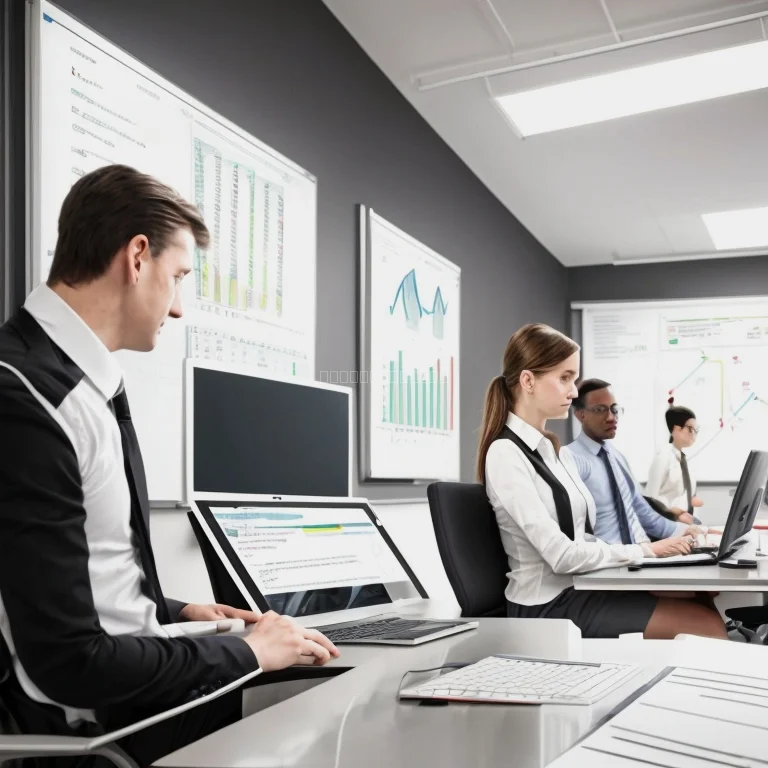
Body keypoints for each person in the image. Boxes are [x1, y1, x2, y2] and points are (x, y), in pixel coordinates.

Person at [0, 165, 339, 766]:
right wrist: (251, 653)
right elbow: (68, 662)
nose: (179, 308)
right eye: (178, 276)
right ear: (137, 257)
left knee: (349, 676)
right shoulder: (27, 400)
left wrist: (180, 613)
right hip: (99, 727)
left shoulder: (82, 382)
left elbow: (92, 580)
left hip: (135, 682)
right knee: (333, 712)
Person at [477, 323, 726, 640]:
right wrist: (644, 551)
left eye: (574, 378)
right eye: (564, 378)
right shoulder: (506, 454)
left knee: (702, 599)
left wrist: (651, 553)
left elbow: (584, 539)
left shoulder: (554, 453)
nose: (574, 391)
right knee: (705, 624)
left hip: (584, 584)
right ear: (528, 381)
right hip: (546, 605)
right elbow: (562, 555)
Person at [563, 380, 703, 544]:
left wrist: (684, 531)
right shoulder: (571, 459)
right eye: (600, 410)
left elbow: (641, 510)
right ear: (580, 414)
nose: (611, 417)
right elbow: (572, 535)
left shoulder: (616, 456)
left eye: (614, 409)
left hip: (642, 554)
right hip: (612, 560)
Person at [645, 405, 703, 519]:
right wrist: (672, 514)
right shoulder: (663, 458)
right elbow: (649, 500)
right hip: (667, 523)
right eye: (690, 428)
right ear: (676, 429)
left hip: (686, 523)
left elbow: (687, 497)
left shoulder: (686, 461)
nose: (694, 433)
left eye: (696, 430)